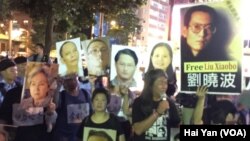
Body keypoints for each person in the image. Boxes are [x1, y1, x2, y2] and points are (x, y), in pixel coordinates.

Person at [132, 69, 180, 141]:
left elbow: (176, 124)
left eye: (166, 83)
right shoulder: (139, 102)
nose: (164, 86)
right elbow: (138, 130)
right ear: (150, 85)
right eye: (161, 83)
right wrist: (157, 113)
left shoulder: (169, 103)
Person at [53, 73, 92, 141]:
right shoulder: (62, 95)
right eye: (68, 80)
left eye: (73, 79)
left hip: (82, 137)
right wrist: (58, 87)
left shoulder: (85, 94)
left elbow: (91, 113)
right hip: (65, 137)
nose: (71, 82)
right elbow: (55, 105)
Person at [19, 68, 57, 133]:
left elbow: (49, 129)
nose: (36, 88)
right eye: (33, 84)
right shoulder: (24, 102)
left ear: (48, 87)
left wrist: (50, 113)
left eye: (41, 84)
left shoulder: (50, 104)